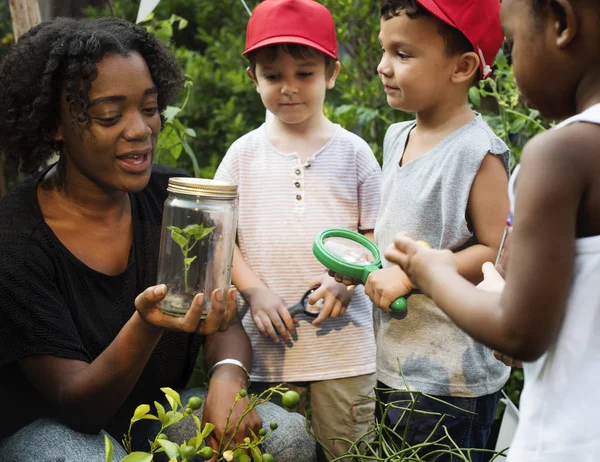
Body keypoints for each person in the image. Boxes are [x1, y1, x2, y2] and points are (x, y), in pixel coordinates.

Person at [0, 17, 315, 461]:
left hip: (157, 419)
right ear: (56, 124)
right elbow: (79, 408)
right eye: (111, 115)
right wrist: (148, 324)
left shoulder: (178, 202)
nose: (140, 130)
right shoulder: (16, 240)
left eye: (149, 108)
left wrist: (227, 380)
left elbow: (223, 325)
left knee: (286, 435)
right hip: (59, 431)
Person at [385, 0, 600, 460]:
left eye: (515, 40)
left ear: (562, 23)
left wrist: (430, 271)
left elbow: (518, 333)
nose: (508, 61)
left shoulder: (560, 156)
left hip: (569, 439)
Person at [335, 0, 512, 457]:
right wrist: (362, 263)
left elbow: (495, 251)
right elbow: (394, 227)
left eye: (403, 54)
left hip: (451, 384)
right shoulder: (398, 136)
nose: (381, 66)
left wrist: (413, 275)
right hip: (396, 362)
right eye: (382, 50)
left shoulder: (477, 153)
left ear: (463, 66)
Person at [214, 0, 382, 459]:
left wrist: (345, 281)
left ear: (332, 73)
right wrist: (253, 291)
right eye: (273, 76)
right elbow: (218, 235)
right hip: (267, 353)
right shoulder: (242, 156)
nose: (288, 88)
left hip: (343, 352)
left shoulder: (355, 154)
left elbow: (374, 236)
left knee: (347, 451)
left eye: (304, 73)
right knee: (274, 450)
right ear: (254, 78)